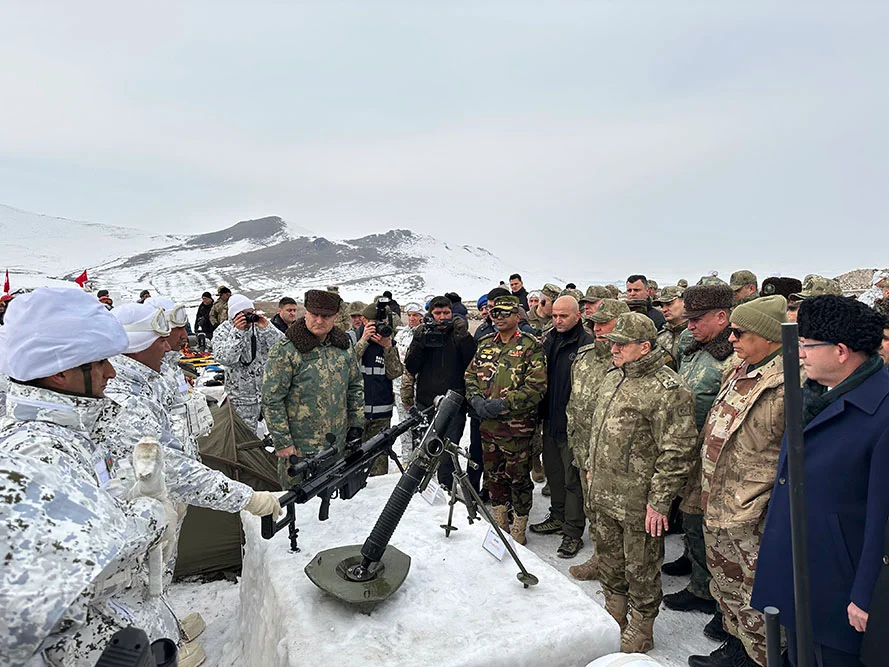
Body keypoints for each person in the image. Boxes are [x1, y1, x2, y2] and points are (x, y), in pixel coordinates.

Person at [0, 288, 171, 667]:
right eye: (98, 363)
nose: (111, 371)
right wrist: (148, 516)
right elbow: (63, 585)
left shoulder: (69, 432)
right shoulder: (41, 453)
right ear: (60, 373)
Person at [752, 295, 889, 666]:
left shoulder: (882, 414)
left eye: (807, 346)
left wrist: (865, 595)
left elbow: (883, 518)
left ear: (841, 351)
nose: (800, 355)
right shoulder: (814, 394)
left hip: (838, 588)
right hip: (799, 572)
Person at [584, 312, 697, 653]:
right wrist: (591, 466)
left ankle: (642, 627)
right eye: (612, 342)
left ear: (644, 347)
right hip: (604, 491)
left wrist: (660, 500)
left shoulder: (669, 390)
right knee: (609, 559)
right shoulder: (613, 377)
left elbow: (678, 450)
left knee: (642, 568)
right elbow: (600, 430)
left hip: (638, 501)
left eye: (621, 344)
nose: (613, 348)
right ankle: (615, 613)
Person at [688, 296, 789, 667]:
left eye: (739, 332)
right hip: (718, 501)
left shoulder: (789, 383)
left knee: (755, 595)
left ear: (767, 335)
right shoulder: (740, 368)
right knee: (726, 587)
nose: (731, 338)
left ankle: (763, 658)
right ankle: (738, 648)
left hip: (753, 512)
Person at [663, 284, 735, 620]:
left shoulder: (733, 357)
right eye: (688, 319)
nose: (689, 325)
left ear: (721, 317)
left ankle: (706, 589)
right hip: (686, 446)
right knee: (689, 513)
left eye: (697, 319)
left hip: (714, 453)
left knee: (701, 518)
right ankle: (694, 563)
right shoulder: (691, 347)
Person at [465, 295, 546, 545]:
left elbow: (537, 386)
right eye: (494, 313)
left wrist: (505, 404)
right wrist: (476, 400)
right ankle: (500, 519)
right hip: (488, 426)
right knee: (493, 475)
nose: (498, 317)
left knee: (519, 478)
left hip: (517, 428)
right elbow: (470, 375)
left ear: (516, 315)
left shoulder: (530, 345)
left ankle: (519, 523)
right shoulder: (485, 342)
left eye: (503, 313)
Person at [262, 289, 364, 487]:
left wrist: (357, 425)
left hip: (337, 446)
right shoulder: (287, 349)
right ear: (306, 313)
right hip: (299, 450)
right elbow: (271, 398)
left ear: (335, 317)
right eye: (314, 314)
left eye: (325, 316)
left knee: (335, 506)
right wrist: (283, 442)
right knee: (299, 509)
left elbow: (355, 386)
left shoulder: (342, 347)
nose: (319, 320)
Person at [565, 298, 631, 581]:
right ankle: (602, 559)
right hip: (584, 448)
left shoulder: (630, 360)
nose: (598, 329)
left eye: (606, 323)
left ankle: (626, 566)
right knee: (593, 509)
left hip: (618, 455)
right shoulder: (584, 356)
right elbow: (575, 399)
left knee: (622, 514)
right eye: (595, 323)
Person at [532, 295, 594, 558]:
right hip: (551, 419)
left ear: (577, 316)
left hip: (574, 425)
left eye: (563, 316)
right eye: (555, 315)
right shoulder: (549, 339)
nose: (557, 320)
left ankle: (572, 531)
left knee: (573, 481)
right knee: (554, 474)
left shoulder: (586, 344)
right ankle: (557, 516)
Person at [405, 295, 477, 488]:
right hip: (426, 402)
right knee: (423, 449)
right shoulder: (422, 333)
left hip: (454, 403)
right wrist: (421, 340)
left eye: (446, 312)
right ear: (431, 314)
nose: (442, 317)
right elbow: (411, 366)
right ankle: (418, 488)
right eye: (438, 313)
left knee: (448, 450)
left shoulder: (458, 334)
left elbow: (472, 363)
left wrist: (464, 336)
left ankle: (445, 487)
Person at [211, 295, 283, 432]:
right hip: (240, 399)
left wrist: (267, 328)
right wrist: (238, 332)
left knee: (277, 434)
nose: (248, 317)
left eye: (251, 312)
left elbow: (282, 348)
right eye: (244, 314)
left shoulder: (259, 326)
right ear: (233, 315)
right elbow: (225, 358)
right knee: (246, 437)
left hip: (267, 396)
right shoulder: (223, 331)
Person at [353, 302, 404, 476]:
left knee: (378, 465)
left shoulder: (388, 342)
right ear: (364, 321)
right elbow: (346, 368)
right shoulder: (351, 339)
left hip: (381, 414)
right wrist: (363, 342)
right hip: (356, 414)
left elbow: (396, 372)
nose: (378, 327)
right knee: (351, 465)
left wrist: (388, 347)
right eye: (374, 323)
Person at [653, 285, 688, 370]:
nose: (664, 310)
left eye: (669, 304)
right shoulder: (659, 338)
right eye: (662, 306)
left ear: (685, 303)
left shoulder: (698, 334)